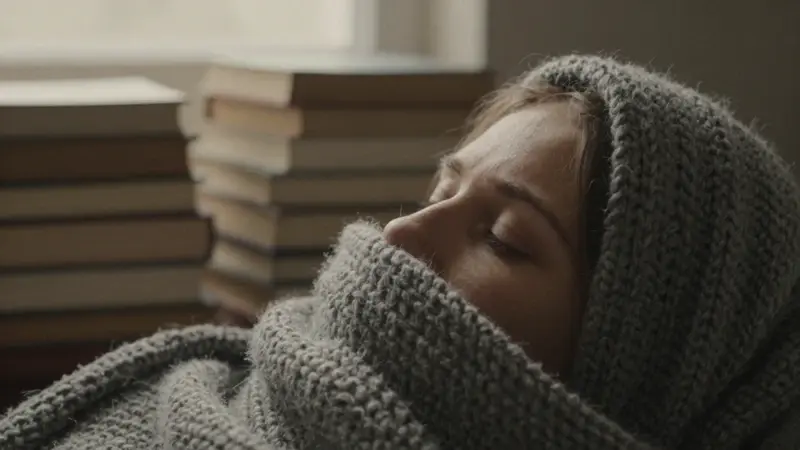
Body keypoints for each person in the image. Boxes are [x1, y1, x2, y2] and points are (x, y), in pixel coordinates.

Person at [2, 54, 799, 450]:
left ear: (643, 363)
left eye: (503, 238)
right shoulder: (191, 396)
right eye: (436, 193)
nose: (398, 236)